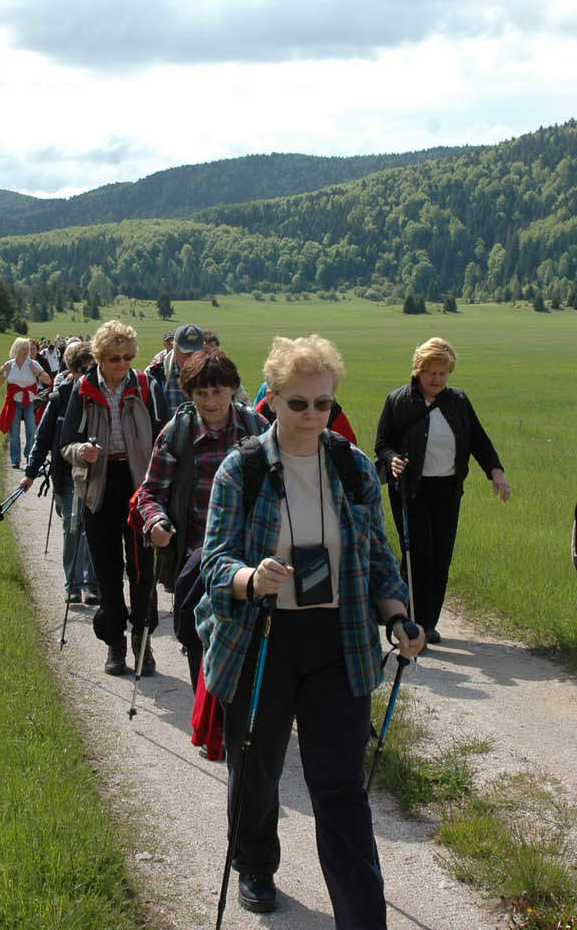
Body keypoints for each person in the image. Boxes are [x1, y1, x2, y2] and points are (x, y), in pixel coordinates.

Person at [196, 334, 424, 926]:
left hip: (337, 643)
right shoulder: (240, 469)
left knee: (341, 788)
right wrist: (250, 576)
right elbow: (215, 559)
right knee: (256, 766)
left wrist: (397, 615)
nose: (312, 416)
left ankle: (361, 915)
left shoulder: (352, 469)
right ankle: (255, 864)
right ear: (270, 400)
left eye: (324, 404)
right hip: (261, 638)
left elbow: (376, 560)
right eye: (299, 403)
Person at [133, 347, 266, 689]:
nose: (210, 402)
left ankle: (238, 728)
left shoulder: (258, 430)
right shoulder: (177, 433)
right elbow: (151, 492)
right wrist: (156, 522)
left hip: (249, 559)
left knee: (249, 648)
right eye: (201, 393)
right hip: (196, 563)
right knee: (199, 643)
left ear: (233, 389)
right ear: (189, 394)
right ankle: (210, 729)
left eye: (218, 391)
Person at [373, 337, 510, 644]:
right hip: (410, 490)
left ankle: (428, 623)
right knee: (418, 555)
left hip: (448, 490)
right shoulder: (398, 401)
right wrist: (393, 460)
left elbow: (478, 440)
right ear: (418, 371)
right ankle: (408, 620)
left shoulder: (457, 402)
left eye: (443, 373)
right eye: (431, 372)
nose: (437, 379)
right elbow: (383, 445)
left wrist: (496, 474)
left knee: (440, 557)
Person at [58, 320, 170, 676]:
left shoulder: (146, 385)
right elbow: (65, 444)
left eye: (126, 357)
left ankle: (142, 638)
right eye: (114, 358)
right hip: (99, 485)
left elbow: (164, 433)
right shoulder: (83, 389)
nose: (121, 364)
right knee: (107, 570)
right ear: (100, 358)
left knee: (142, 569)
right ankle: (114, 643)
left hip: (139, 487)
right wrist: (82, 451)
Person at [19, 339, 98, 606]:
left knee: (91, 528)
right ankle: (73, 584)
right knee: (71, 527)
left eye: (93, 369)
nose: (90, 375)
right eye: (84, 369)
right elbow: (43, 437)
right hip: (65, 474)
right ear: (72, 370)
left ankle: (92, 583)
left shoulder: (99, 398)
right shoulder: (60, 397)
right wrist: (30, 472)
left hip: (95, 475)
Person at [0, 336, 50, 469]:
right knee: (14, 431)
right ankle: (15, 459)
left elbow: (48, 380)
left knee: (31, 429)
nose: (26, 352)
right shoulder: (10, 365)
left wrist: (39, 374)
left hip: (29, 402)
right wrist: (3, 373)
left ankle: (29, 456)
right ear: (17, 350)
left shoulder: (32, 364)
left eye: (27, 349)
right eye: (23, 349)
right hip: (14, 403)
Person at [148, 323, 206, 413]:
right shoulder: (156, 373)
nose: (192, 358)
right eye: (187, 353)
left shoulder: (212, 373)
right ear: (175, 348)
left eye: (196, 353)